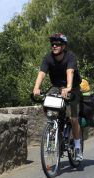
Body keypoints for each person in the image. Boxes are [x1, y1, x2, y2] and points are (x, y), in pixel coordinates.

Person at [33, 33, 83, 161]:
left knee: (73, 118)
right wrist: (36, 87)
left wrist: (69, 87)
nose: (54, 46)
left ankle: (77, 147)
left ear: (64, 46)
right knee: (49, 107)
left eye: (58, 44)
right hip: (56, 87)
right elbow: (42, 73)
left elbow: (70, 72)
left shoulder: (70, 57)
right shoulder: (48, 58)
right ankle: (55, 129)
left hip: (73, 88)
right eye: (52, 44)